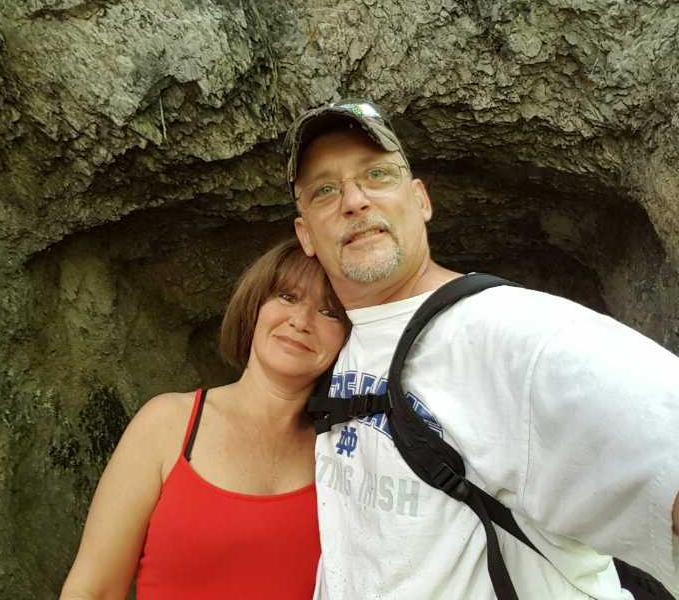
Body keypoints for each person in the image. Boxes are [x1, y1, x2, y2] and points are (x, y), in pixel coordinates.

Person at [286, 99, 679, 599]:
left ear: (421, 200)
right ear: (306, 236)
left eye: (377, 175)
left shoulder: (509, 331)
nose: (354, 200)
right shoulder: (342, 350)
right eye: (325, 190)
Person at [59, 238, 349, 600]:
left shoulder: (346, 452)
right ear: (254, 306)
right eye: (287, 297)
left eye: (330, 312)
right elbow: (94, 590)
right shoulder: (167, 423)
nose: (301, 321)